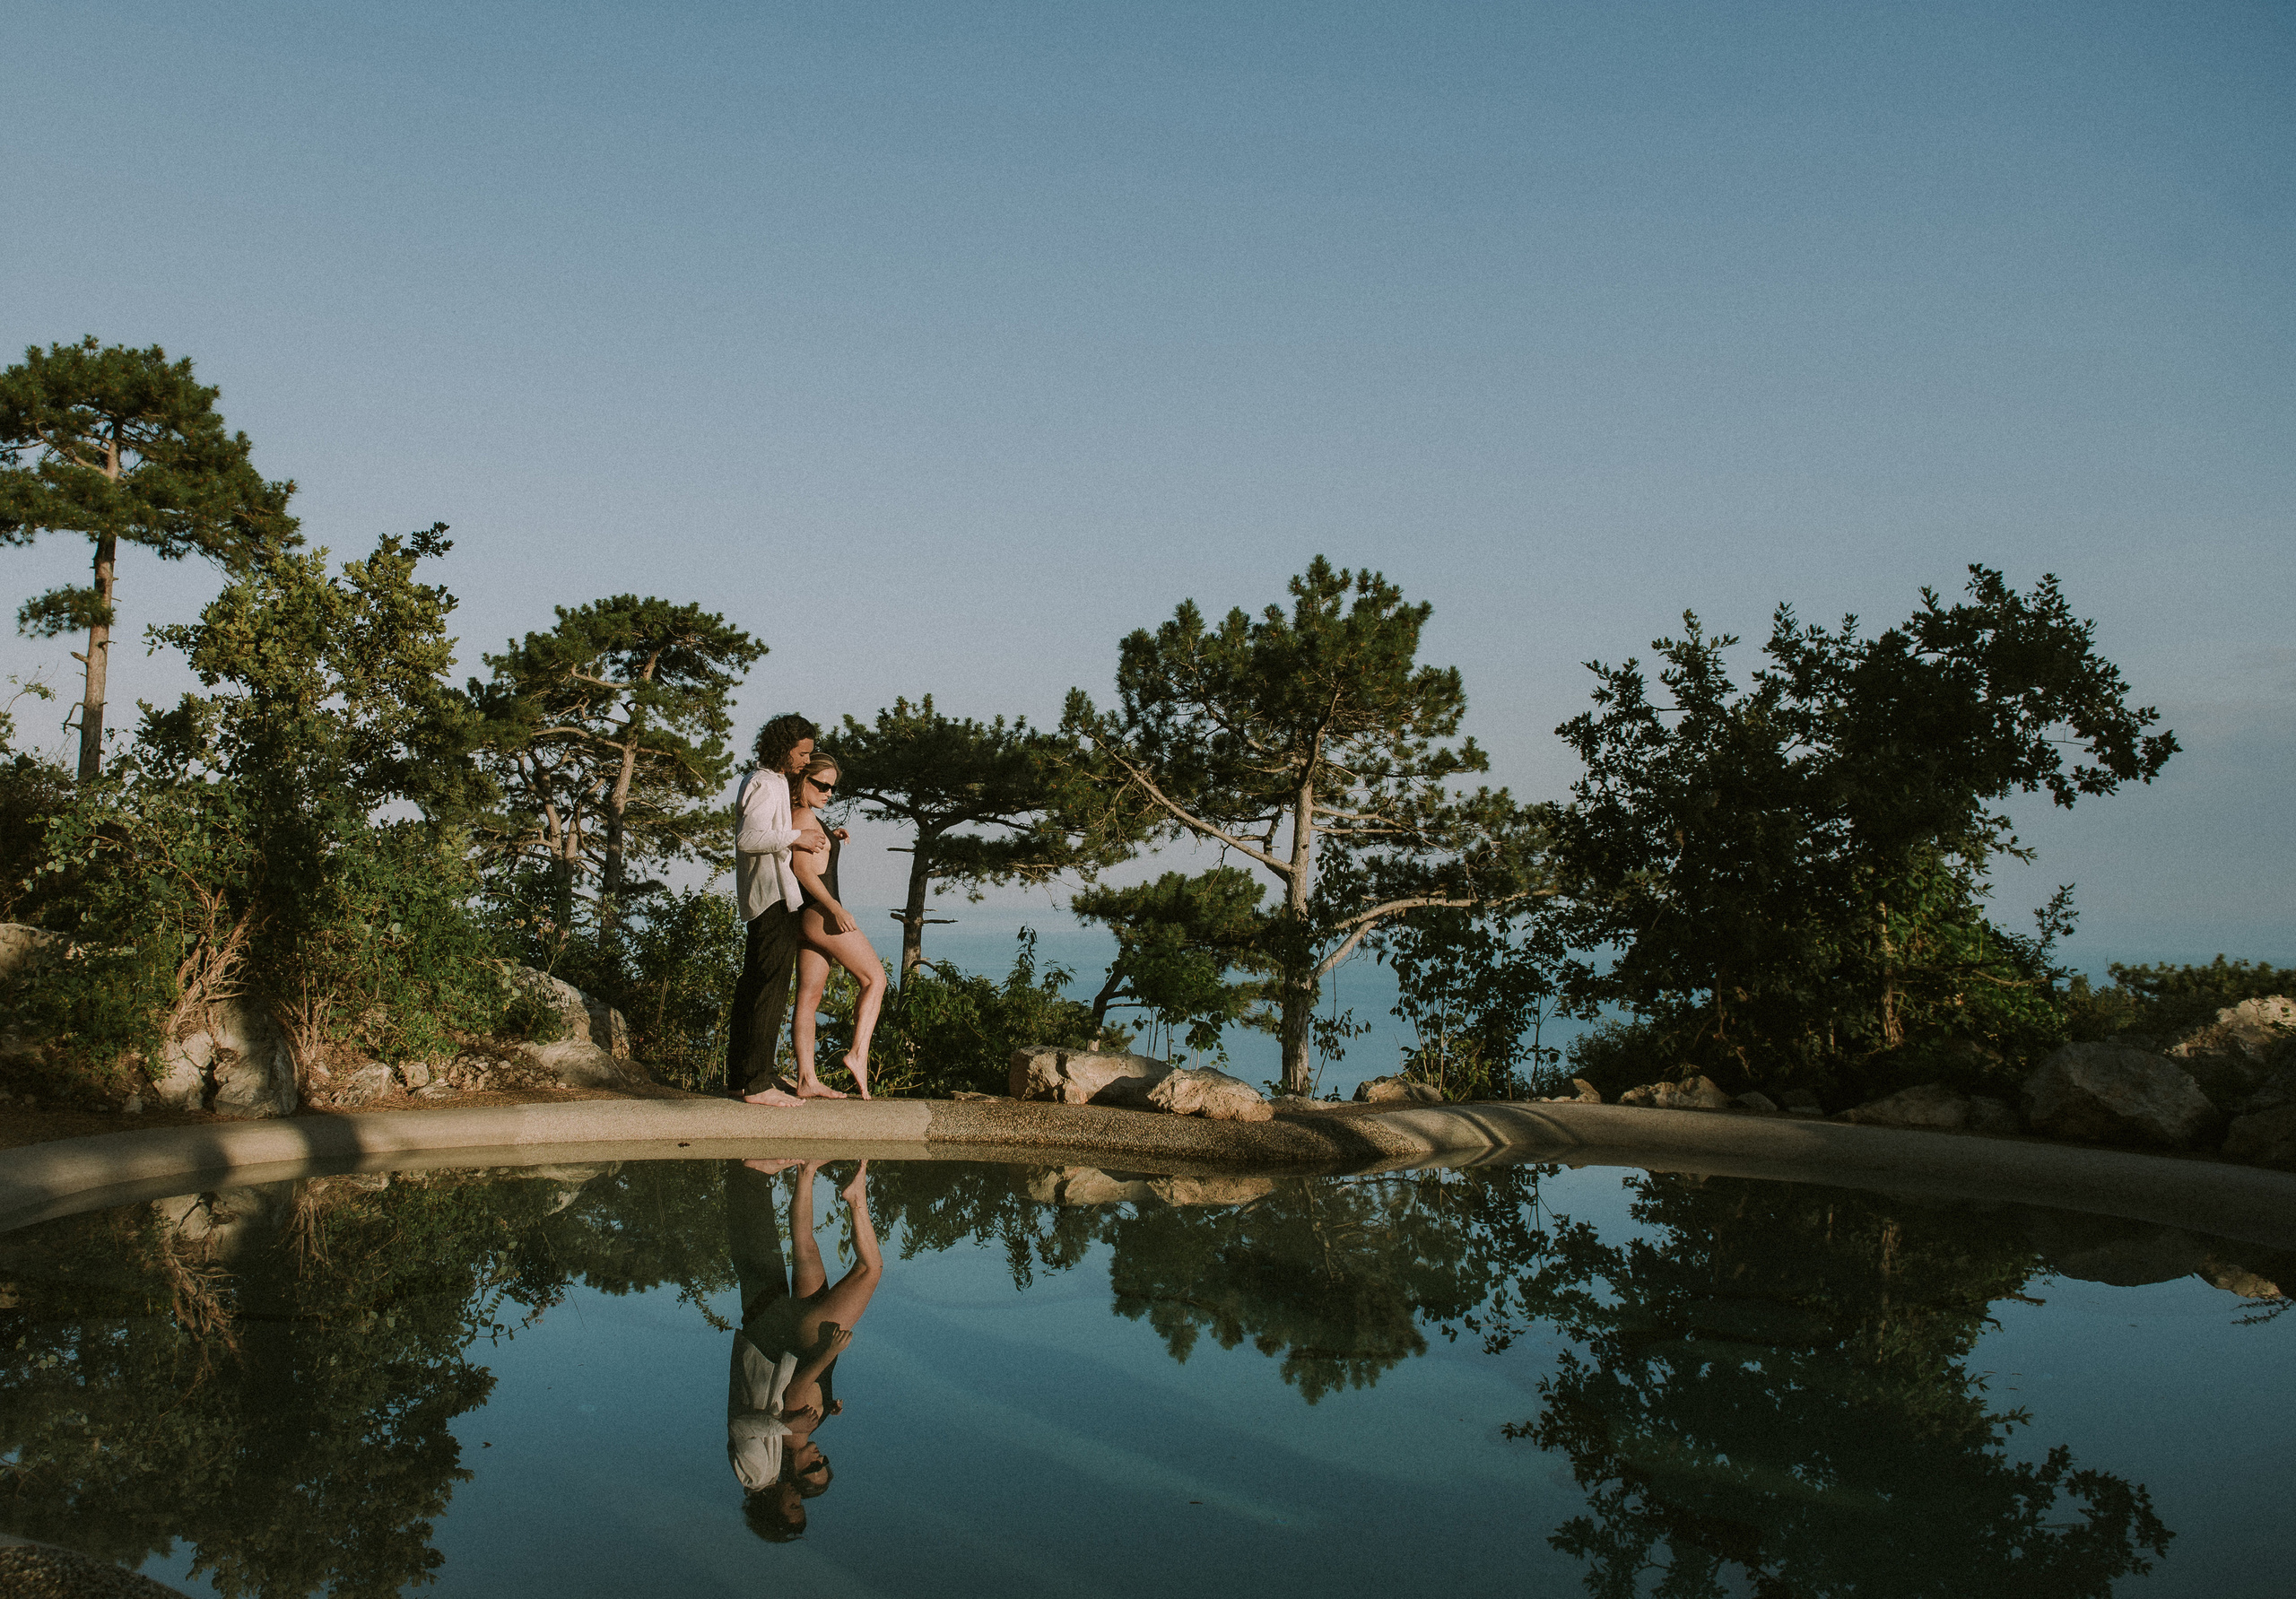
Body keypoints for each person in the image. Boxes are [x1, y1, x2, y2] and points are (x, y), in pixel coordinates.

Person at [725, 1158, 883, 1542]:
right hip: (780, 1343)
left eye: (793, 1506)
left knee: (870, 1270)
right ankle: (807, 1169)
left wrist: (828, 1355)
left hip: (793, 1341)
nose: (820, 1459)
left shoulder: (757, 1474)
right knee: (805, 1246)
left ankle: (855, 1197)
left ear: (773, 1508)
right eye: (825, 1463)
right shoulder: (775, 1465)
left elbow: (747, 1423)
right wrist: (824, 1405)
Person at [726, 715, 836, 1104]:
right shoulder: (763, 782)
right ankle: (758, 1084)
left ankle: (741, 1078)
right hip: (770, 896)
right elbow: (747, 838)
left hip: (771, 895)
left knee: (753, 985)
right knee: (769, 989)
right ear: (784, 747)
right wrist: (797, 837)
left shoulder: (771, 783)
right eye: (802, 752)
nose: (807, 760)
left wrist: (817, 834)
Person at [787, 757, 890, 1099]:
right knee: (875, 979)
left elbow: (812, 852)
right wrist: (835, 908)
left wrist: (832, 834)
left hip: (805, 917)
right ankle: (858, 1055)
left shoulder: (805, 819)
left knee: (807, 999)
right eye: (821, 784)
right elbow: (803, 869)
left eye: (833, 787)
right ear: (802, 779)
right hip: (822, 913)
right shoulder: (803, 817)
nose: (829, 792)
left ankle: (806, 1080)